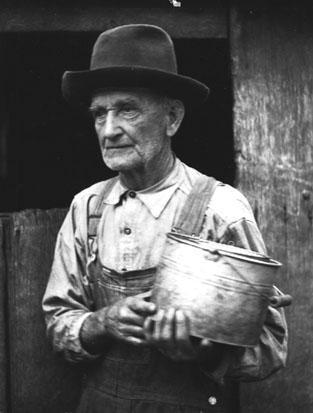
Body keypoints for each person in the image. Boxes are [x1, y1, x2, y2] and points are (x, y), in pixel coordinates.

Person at [42, 24, 287, 413]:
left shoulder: (220, 209)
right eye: (99, 113)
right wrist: (103, 323)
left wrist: (200, 351)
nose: (109, 130)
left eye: (126, 109)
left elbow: (270, 348)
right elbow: (59, 323)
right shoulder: (85, 207)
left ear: (171, 118)